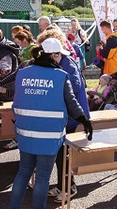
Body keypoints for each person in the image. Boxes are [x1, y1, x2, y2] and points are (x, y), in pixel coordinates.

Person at [8, 38, 92, 209]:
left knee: (23, 173)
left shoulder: (23, 73)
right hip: (49, 136)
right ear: (54, 55)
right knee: (42, 178)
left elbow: (17, 100)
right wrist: (84, 120)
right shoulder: (60, 76)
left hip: (25, 133)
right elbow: (72, 103)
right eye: (60, 55)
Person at [36, 29, 91, 203]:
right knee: (59, 154)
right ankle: (62, 185)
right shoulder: (61, 61)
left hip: (72, 115)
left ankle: (69, 187)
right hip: (63, 114)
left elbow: (73, 87)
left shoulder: (67, 62)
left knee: (63, 154)